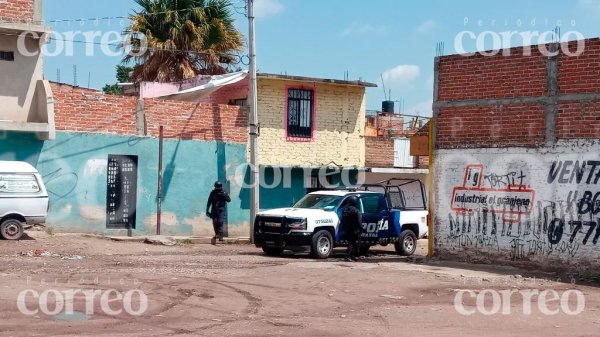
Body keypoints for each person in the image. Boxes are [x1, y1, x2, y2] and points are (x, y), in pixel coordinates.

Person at [341, 196, 363, 262]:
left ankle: (352, 256)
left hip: (346, 228)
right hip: (353, 229)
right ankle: (347, 256)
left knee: (351, 242)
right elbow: (359, 221)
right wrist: (361, 229)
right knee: (352, 243)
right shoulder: (356, 211)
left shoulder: (345, 210)